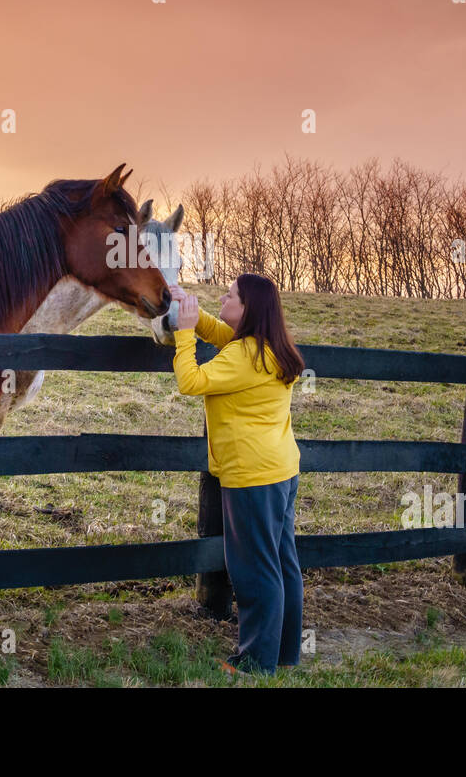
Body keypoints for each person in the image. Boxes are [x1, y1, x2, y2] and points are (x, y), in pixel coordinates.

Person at [170, 273, 306, 676]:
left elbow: (189, 380)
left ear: (247, 309)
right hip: (281, 471)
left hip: (251, 478)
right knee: (282, 564)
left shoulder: (242, 356)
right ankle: (282, 653)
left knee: (254, 569)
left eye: (228, 295)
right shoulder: (271, 349)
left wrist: (183, 334)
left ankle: (255, 663)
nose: (222, 298)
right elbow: (224, 336)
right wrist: (190, 310)